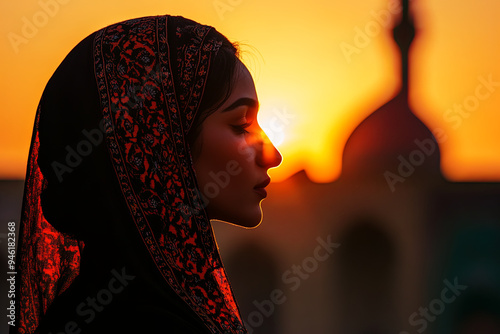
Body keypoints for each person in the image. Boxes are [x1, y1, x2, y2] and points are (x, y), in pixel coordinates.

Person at [13, 15, 281, 334]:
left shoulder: (120, 303)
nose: (273, 155)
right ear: (158, 143)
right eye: (240, 125)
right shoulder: (143, 321)